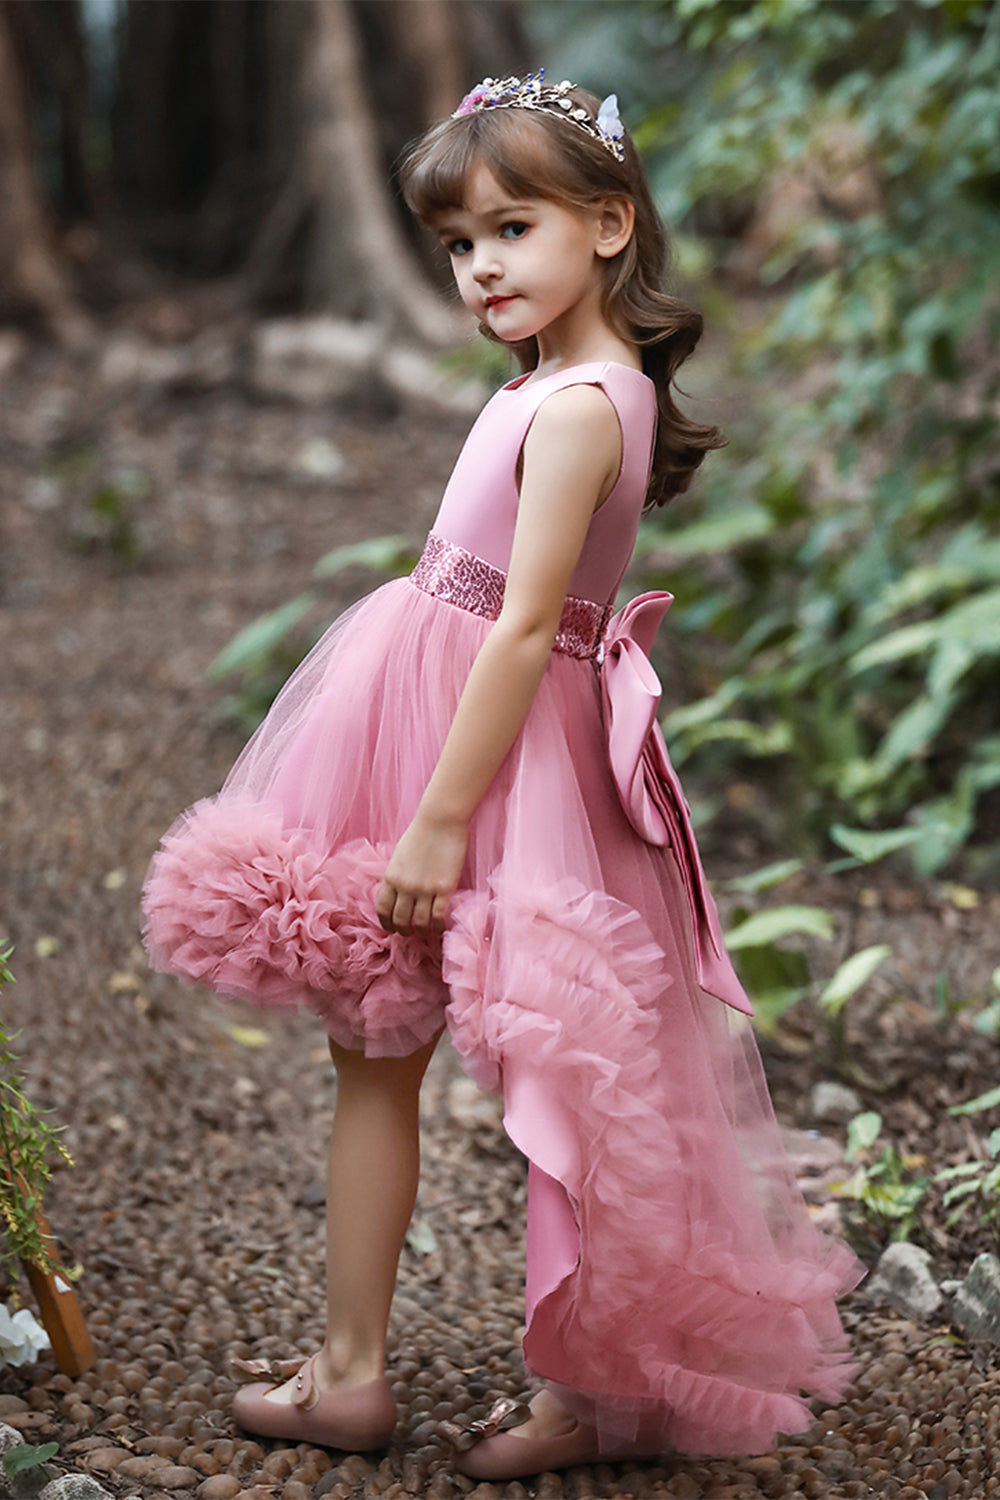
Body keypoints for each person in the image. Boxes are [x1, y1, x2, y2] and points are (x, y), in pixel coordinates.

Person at [142, 72, 863, 1480]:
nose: (479, 267)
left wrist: (436, 823)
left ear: (607, 226)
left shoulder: (587, 404)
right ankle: (349, 1369)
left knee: (562, 1058)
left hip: (497, 753)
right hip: (439, 710)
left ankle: (578, 1390)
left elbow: (531, 626)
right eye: (459, 244)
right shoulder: (550, 384)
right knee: (376, 1043)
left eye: (510, 229)